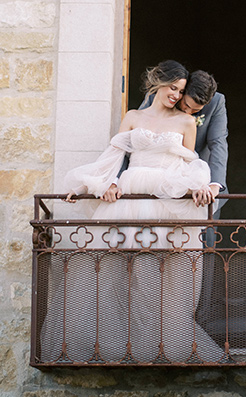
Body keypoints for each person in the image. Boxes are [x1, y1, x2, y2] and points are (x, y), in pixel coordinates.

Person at [40, 60, 224, 364]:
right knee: (109, 272)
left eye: (180, 90)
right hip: (129, 194)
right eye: (173, 88)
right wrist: (98, 184)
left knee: (157, 277)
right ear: (158, 83)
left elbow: (189, 162)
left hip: (160, 198)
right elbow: (112, 157)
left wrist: (201, 186)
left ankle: (158, 346)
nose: (176, 95)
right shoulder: (133, 116)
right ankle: (106, 344)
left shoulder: (186, 123)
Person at [103, 70, 229, 216]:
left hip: (199, 183)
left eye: (195, 111)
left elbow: (218, 144)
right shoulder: (159, 97)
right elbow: (133, 141)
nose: (188, 113)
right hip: (147, 185)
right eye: (186, 105)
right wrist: (114, 180)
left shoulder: (217, 102)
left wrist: (212, 184)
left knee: (203, 235)